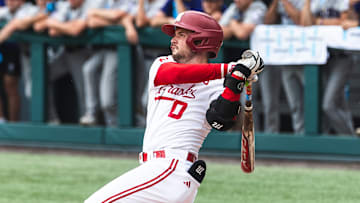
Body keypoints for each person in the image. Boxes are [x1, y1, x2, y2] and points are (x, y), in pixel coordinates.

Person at [84, 10, 263, 203]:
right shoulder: (162, 64)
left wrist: (235, 83)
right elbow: (176, 75)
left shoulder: (218, 85)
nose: (173, 40)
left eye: (181, 34)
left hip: (171, 168)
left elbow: (221, 120)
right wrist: (232, 68)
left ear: (201, 41)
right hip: (157, 169)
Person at [34, 0, 102, 123]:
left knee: (84, 91)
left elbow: (75, 30)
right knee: (44, 74)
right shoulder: (65, 6)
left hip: (83, 52)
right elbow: (49, 30)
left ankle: (91, 121)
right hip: (65, 53)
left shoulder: (92, 5)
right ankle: (51, 118)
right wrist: (65, 26)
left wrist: (56, 24)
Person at [79, 0, 138, 126]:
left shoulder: (129, 2)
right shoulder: (107, 3)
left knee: (108, 101)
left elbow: (119, 15)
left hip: (123, 51)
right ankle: (91, 114)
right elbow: (91, 20)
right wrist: (117, 21)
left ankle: (114, 126)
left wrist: (113, 18)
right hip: (105, 49)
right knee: (88, 69)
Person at [301, 0, 355, 135]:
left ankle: (350, 140)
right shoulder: (316, 3)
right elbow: (306, 23)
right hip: (322, 58)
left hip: (342, 57)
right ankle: (341, 140)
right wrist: (307, 3)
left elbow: (344, 23)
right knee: (338, 103)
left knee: (328, 104)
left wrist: (319, 22)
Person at [264, 0, 305, 134]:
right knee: (295, 103)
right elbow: (267, 21)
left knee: (312, 100)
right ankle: (300, 135)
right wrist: (276, 3)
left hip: (306, 55)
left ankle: (317, 135)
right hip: (287, 56)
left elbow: (300, 20)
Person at [0, 0, 40, 122]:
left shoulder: (30, 10)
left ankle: (14, 123)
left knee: (13, 84)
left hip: (28, 53)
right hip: (7, 50)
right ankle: (1, 120)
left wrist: (14, 25)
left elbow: (41, 17)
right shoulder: (5, 11)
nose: (10, 2)